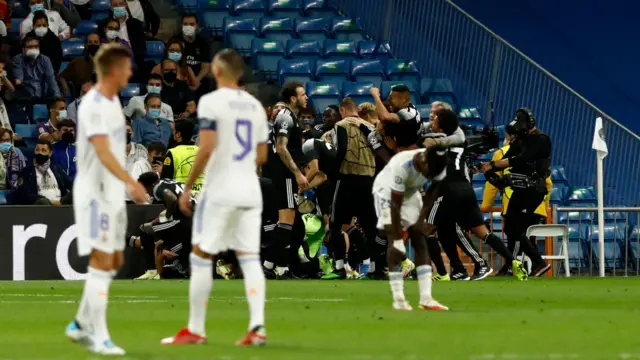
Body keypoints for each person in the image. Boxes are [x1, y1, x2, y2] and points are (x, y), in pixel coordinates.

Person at [160, 49, 269, 346]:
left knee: (200, 256)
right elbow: (262, 155)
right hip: (250, 189)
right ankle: (257, 328)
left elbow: (205, 148)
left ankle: (196, 329)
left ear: (218, 72)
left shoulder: (211, 102)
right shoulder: (256, 107)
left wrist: (188, 187)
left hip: (221, 189)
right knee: (249, 258)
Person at [64, 43, 147, 356]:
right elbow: (100, 151)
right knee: (101, 260)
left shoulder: (114, 102)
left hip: (111, 192)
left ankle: (80, 323)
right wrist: (131, 182)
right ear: (114, 69)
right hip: (95, 192)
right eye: (126, 67)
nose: (130, 73)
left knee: (114, 260)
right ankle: (100, 337)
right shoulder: (94, 103)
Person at [425, 108, 528, 281]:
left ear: (442, 126)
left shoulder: (437, 143)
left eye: (435, 120)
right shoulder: (459, 142)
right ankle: (514, 263)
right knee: (478, 232)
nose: (432, 122)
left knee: (427, 230)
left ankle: (444, 273)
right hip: (465, 189)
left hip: (447, 190)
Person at [373, 146, 450, 310]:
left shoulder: (439, 163)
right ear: (423, 160)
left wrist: (421, 219)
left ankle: (426, 298)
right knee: (395, 243)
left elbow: (432, 193)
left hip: (411, 192)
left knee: (420, 238)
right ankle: (399, 298)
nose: (430, 176)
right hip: (386, 192)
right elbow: (395, 204)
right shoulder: (401, 166)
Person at [480, 108, 553, 277]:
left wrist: (493, 165)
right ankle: (538, 263)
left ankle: (530, 263)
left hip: (533, 190)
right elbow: (509, 157)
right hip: (519, 189)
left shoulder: (541, 139)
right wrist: (488, 168)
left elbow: (521, 159)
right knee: (512, 228)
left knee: (516, 227)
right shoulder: (520, 140)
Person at [321, 97, 378, 280]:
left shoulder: (341, 125)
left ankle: (339, 267)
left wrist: (334, 171)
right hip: (369, 180)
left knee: (336, 224)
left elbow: (342, 148)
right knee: (370, 227)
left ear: (343, 110)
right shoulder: (369, 126)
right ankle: (375, 269)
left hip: (347, 179)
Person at [261, 81, 309, 279]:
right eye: (303, 94)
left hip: (286, 174)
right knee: (286, 221)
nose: (306, 97)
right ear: (293, 98)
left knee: (291, 224)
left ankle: (274, 265)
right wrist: (297, 172)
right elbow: (281, 148)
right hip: (285, 174)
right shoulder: (285, 117)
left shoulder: (291, 118)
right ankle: (274, 266)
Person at [134, 172, 194, 280]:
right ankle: (180, 264)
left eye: (145, 189)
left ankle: (151, 272)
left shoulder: (158, 188)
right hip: (196, 220)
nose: (146, 192)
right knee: (168, 245)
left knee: (144, 229)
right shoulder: (170, 181)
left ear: (151, 185)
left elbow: (171, 198)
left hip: (185, 221)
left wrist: (167, 216)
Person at [11, 138, 73, 205]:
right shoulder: (27, 171)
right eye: (37, 150)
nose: (40, 153)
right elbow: (25, 194)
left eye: (43, 150)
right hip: (41, 205)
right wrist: (49, 201)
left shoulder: (57, 169)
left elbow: (71, 183)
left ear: (50, 153)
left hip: (60, 202)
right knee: (43, 201)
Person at [371, 85, 422, 152]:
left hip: (406, 153)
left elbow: (385, 117)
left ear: (403, 100)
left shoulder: (407, 113)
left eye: (391, 98)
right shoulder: (410, 107)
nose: (389, 100)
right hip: (403, 146)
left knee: (372, 138)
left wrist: (376, 96)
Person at [97, 0, 146, 68]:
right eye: (115, 5)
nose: (118, 7)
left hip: (132, 62)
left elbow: (141, 48)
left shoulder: (136, 24)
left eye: (121, 4)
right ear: (111, 7)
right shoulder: (103, 24)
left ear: (126, 5)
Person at [161, 120, 203, 191]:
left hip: (182, 196)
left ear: (178, 134)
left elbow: (166, 180)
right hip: (202, 196)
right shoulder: (202, 152)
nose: (172, 133)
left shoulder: (172, 152)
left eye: (173, 130)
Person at [175, 14, 211, 91]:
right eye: (185, 24)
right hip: (180, 79)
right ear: (181, 26)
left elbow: (206, 66)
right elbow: (172, 64)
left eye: (191, 24)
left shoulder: (203, 43)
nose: (188, 27)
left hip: (198, 78)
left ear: (197, 26)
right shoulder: (175, 42)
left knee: (206, 82)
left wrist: (196, 80)